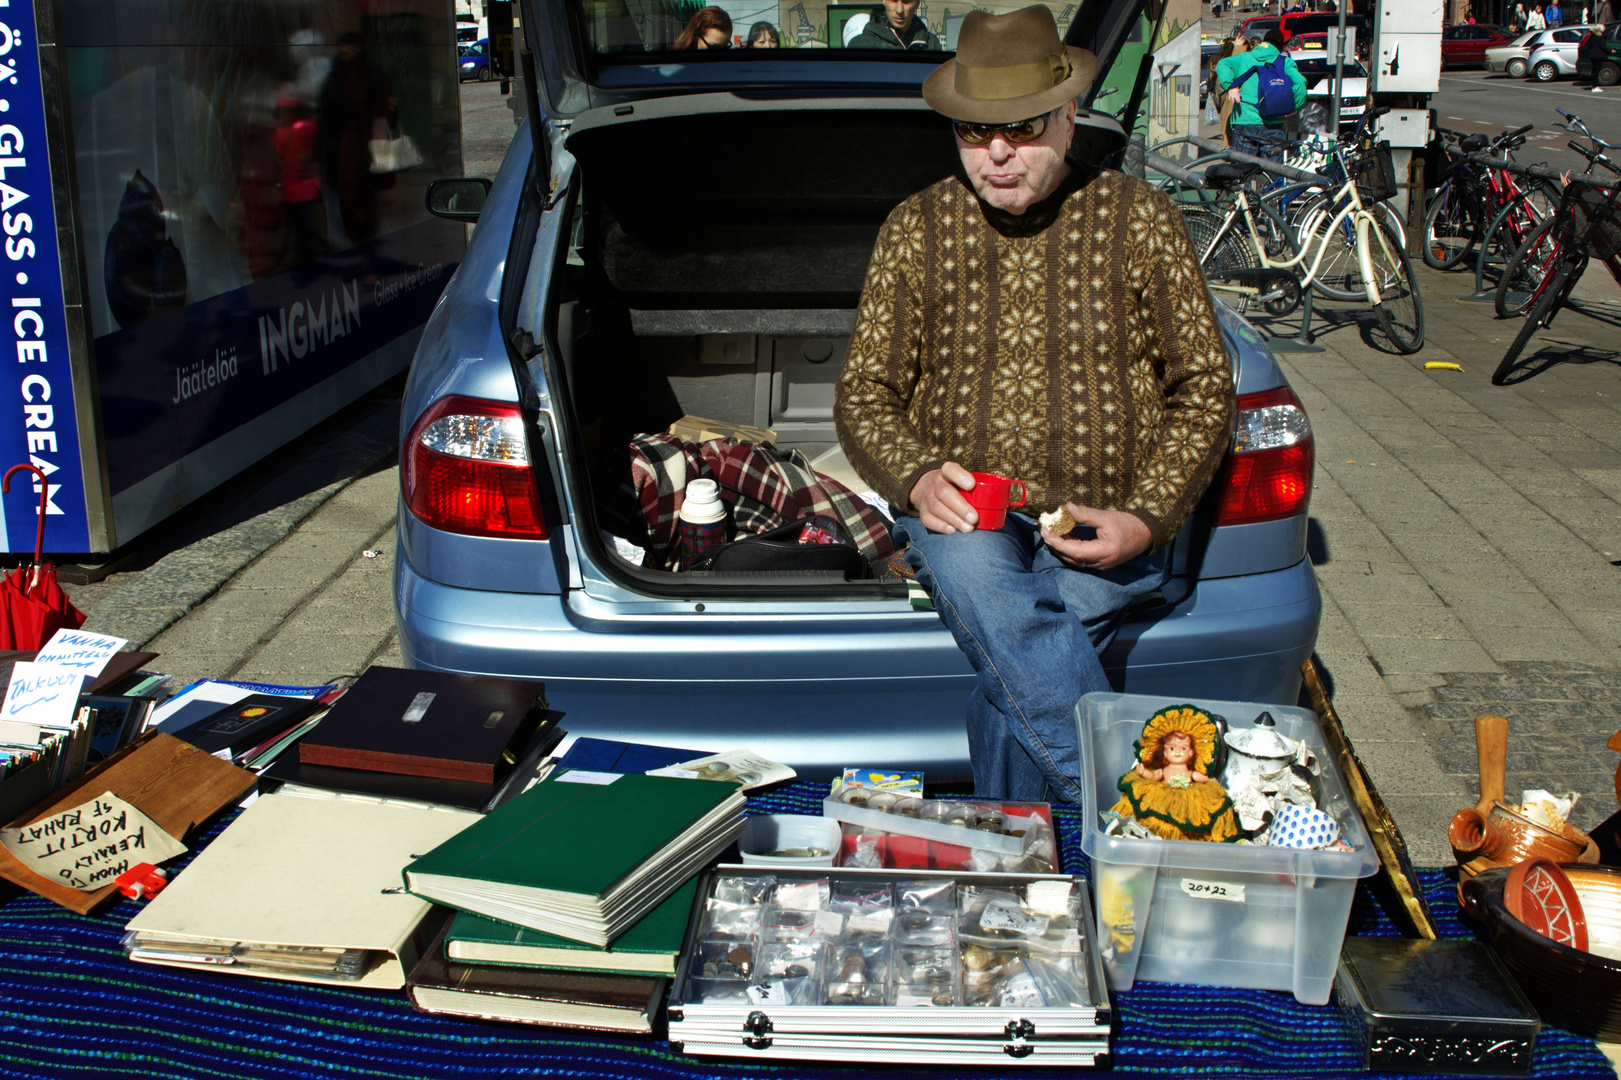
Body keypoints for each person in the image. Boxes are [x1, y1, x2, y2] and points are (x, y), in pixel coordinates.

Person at [833, 6, 1235, 803]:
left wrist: (1147, 518)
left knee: (1015, 677)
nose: (997, 152)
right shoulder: (916, 227)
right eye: (972, 132)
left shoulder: (1141, 218)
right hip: (968, 517)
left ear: (1067, 115)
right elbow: (864, 390)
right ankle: (1140, 812)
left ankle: (1018, 864)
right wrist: (914, 478)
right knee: (1015, 623)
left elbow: (1203, 384)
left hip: (1105, 518)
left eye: (1020, 126)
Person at [1216, 28, 1306, 162]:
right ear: (1280, 46)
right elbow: (1300, 83)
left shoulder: (1245, 57)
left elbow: (1222, 64)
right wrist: (1293, 108)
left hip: (1244, 120)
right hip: (1273, 124)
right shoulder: (1284, 62)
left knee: (1242, 171)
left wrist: (1230, 86)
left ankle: (1243, 183)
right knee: (1273, 172)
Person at [848, 0, 942, 48]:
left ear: (917, 3)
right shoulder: (863, 44)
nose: (899, 10)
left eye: (906, 1)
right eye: (893, 0)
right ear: (884, 0)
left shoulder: (932, 44)